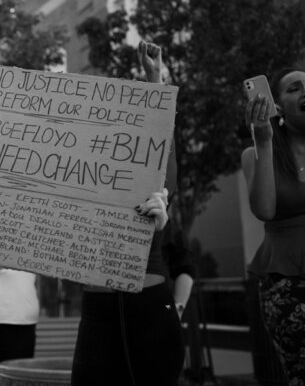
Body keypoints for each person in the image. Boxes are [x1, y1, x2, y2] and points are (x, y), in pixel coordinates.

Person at [70, 42, 185, 386]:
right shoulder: (71, 171)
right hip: (97, 307)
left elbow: (162, 146)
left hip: (148, 302)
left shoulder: (147, 165)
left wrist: (154, 82)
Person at [241, 67, 305, 385]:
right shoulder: (256, 154)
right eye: (294, 89)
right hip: (287, 285)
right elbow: (264, 209)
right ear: (277, 108)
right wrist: (264, 141)